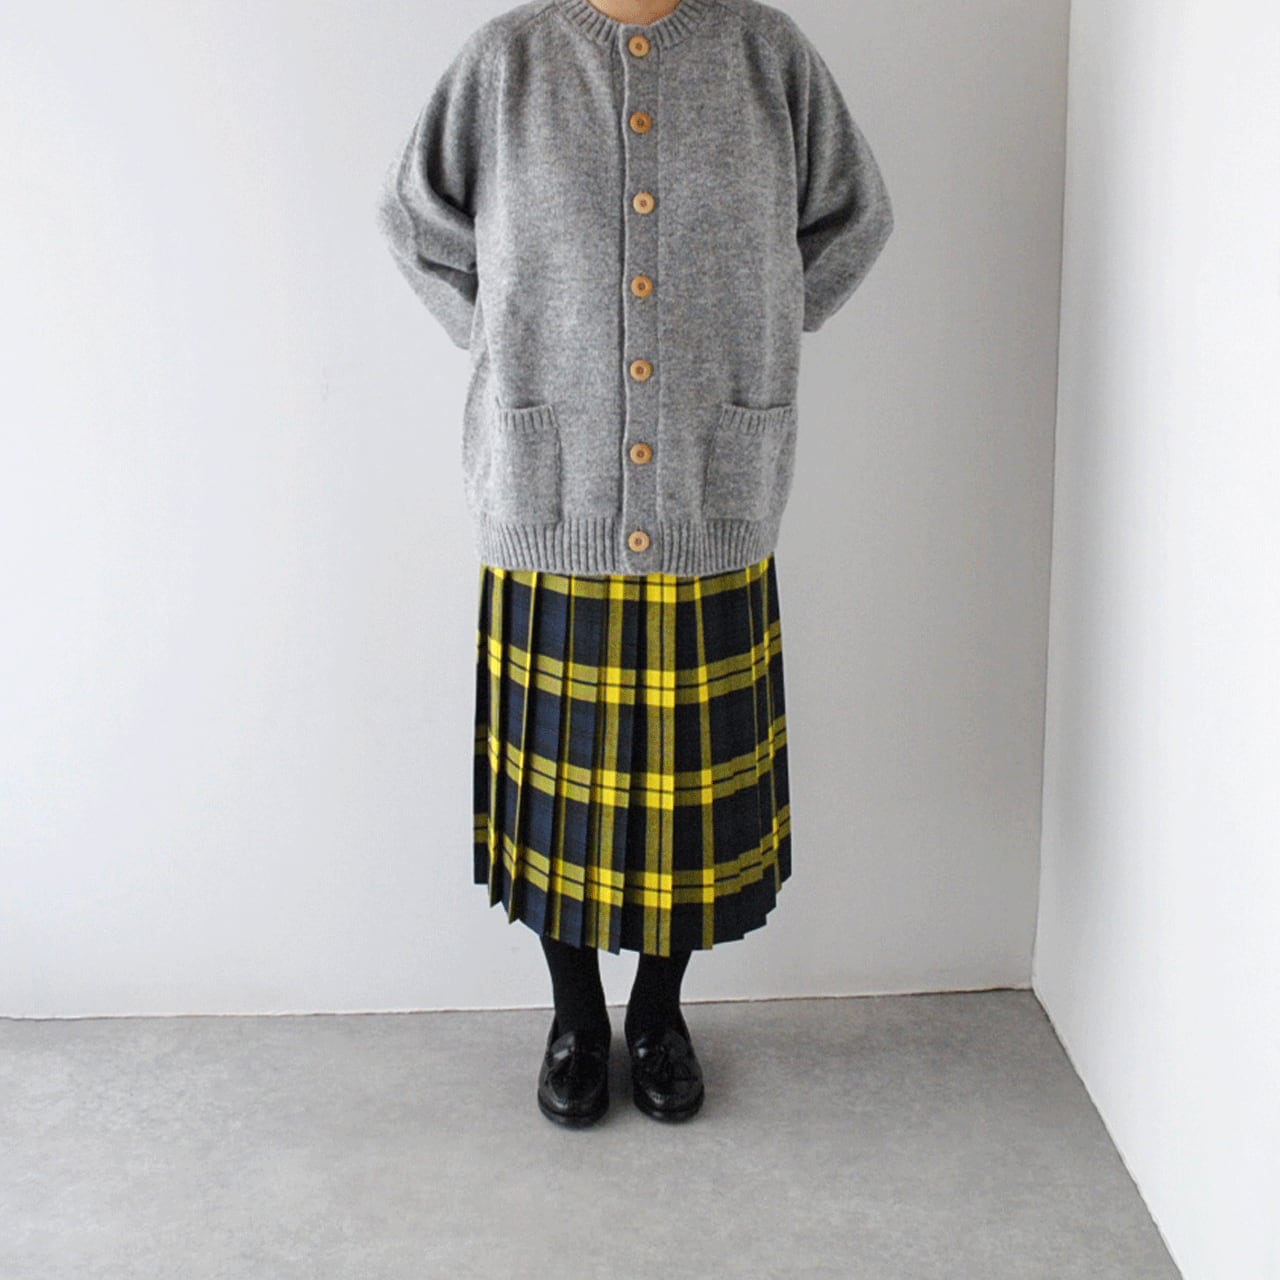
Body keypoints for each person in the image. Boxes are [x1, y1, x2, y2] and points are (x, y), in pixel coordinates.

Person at [376, 0, 894, 1127]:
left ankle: (659, 1013)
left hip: (711, 486)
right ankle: (575, 1017)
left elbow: (854, 216)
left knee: (689, 806)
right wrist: (499, 325)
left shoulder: (765, 55)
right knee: (553, 804)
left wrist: (767, 318)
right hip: (549, 488)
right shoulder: (508, 63)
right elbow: (415, 219)